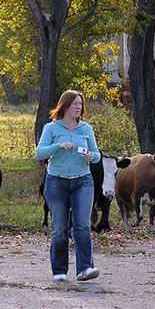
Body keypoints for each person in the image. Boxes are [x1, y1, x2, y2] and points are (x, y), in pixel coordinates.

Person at [36, 90, 101, 282]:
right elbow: (40, 153)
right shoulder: (51, 128)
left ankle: (85, 269)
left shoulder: (86, 129)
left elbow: (97, 154)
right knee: (60, 229)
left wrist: (92, 156)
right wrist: (58, 146)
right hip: (57, 181)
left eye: (80, 104)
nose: (78, 107)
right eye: (74, 104)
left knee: (82, 226)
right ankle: (59, 271)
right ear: (64, 106)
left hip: (83, 181)